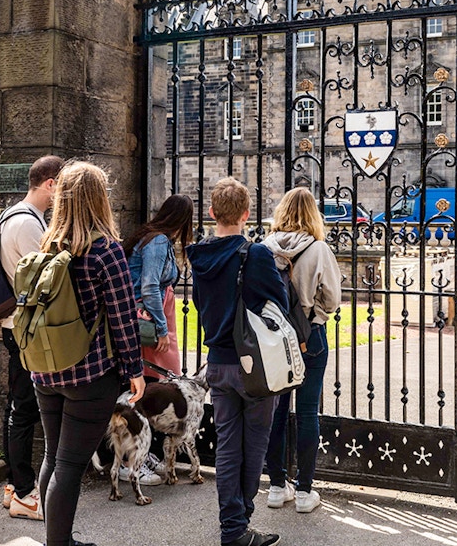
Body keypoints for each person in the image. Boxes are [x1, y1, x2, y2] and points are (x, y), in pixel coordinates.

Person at [32, 160, 145, 546]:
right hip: (90, 376)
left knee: (53, 457)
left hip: (46, 373)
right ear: (99, 200)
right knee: (69, 465)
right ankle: (58, 543)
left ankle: (55, 537)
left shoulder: (48, 245)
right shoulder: (105, 251)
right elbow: (123, 316)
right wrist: (135, 369)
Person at [186, 178, 288, 546]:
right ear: (246, 214)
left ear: (212, 213)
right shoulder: (255, 253)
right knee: (254, 445)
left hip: (218, 361)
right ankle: (238, 526)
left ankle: (233, 525)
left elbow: (200, 303)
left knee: (228, 445)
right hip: (255, 365)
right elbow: (280, 306)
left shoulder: (199, 254)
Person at [260, 188, 342, 514]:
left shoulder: (264, 248)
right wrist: (313, 311)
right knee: (307, 412)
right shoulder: (319, 249)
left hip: (274, 339)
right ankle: (306, 491)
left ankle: (277, 486)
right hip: (310, 336)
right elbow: (333, 299)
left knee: (276, 412)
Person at [0, 155, 63, 520]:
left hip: (15, 326)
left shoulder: (17, 216)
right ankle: (23, 491)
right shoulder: (28, 224)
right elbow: (48, 282)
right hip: (24, 330)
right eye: (60, 187)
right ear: (50, 184)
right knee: (23, 410)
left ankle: (13, 483)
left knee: (18, 407)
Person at [125, 193, 194, 378]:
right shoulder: (158, 241)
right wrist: (161, 328)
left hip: (158, 311)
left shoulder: (155, 237)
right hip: (151, 314)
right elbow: (149, 287)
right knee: (162, 372)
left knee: (162, 371)